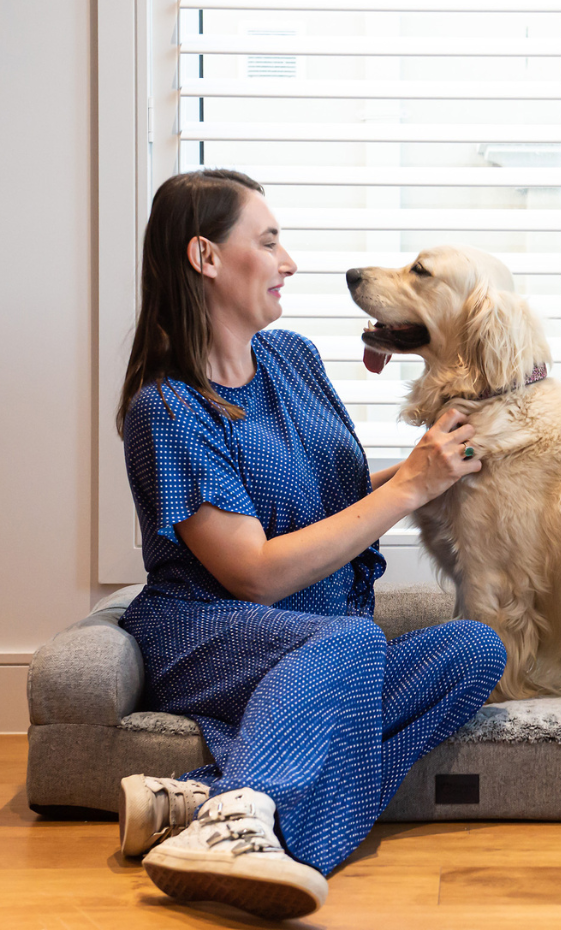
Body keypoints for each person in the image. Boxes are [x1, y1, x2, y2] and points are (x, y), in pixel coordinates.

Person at [113, 169, 507, 921]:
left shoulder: (292, 360)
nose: (289, 261)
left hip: (321, 637)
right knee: (350, 644)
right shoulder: (166, 409)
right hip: (209, 633)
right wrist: (409, 489)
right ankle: (237, 826)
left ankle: (209, 804)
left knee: (475, 650)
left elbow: (339, 503)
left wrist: (436, 467)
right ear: (205, 257)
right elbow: (254, 576)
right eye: (267, 241)